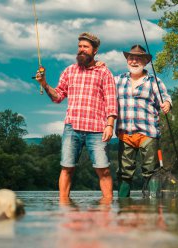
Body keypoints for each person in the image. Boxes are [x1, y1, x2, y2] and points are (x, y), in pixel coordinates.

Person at [35, 32, 117, 199]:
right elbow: (58, 96)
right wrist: (44, 84)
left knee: (104, 169)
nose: (81, 50)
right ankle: (64, 206)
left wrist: (110, 125)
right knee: (67, 168)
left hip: (97, 129)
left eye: (85, 47)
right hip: (72, 127)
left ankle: (107, 207)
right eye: (79, 47)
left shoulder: (104, 72)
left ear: (95, 50)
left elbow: (111, 100)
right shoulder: (69, 71)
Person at [114, 44, 172, 197]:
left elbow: (165, 98)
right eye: (131, 58)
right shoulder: (117, 80)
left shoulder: (155, 81)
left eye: (138, 58)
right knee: (124, 172)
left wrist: (167, 104)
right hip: (124, 133)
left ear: (145, 62)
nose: (134, 61)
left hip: (149, 133)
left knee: (151, 171)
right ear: (127, 60)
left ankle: (154, 204)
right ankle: (123, 204)